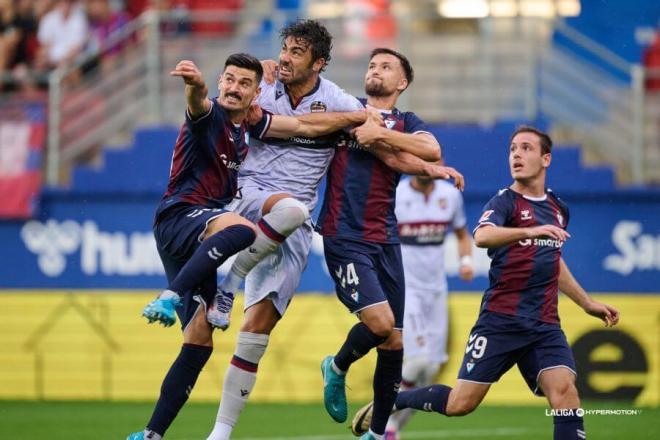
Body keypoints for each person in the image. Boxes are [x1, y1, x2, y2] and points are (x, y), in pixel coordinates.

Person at [127, 53, 375, 440]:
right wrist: (195, 83)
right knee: (242, 231)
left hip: (196, 241)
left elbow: (301, 124)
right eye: (228, 79)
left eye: (243, 83)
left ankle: (151, 433)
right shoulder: (211, 117)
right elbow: (197, 102)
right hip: (183, 217)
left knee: (199, 340)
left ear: (256, 93)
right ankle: (178, 293)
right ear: (220, 82)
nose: (233, 87)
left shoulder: (244, 135)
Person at [351, 126, 621, 440]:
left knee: (565, 394)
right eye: (512, 149)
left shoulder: (558, 210)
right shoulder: (504, 202)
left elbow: (552, 259)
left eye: (526, 148)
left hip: (544, 325)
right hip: (500, 322)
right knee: (459, 404)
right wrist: (530, 231)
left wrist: (587, 303)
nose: (516, 155)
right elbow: (482, 236)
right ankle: (394, 400)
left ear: (546, 158)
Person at [316, 48, 464, 440]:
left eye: (385, 67)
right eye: (371, 65)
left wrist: (387, 136)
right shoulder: (348, 108)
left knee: (394, 341)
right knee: (381, 325)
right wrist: (423, 163)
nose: (375, 71)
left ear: (402, 83)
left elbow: (428, 148)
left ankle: (377, 433)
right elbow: (405, 157)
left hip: (386, 238)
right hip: (345, 234)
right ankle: (337, 365)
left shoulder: (406, 121)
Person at [381, 172, 474, 439]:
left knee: (430, 370)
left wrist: (466, 261)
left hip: (436, 291)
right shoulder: (397, 194)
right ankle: (380, 416)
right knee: (418, 361)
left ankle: (391, 429)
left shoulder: (450, 195)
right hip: (406, 289)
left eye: (433, 163)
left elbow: (461, 233)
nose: (427, 168)